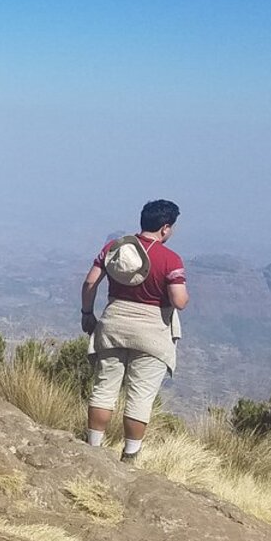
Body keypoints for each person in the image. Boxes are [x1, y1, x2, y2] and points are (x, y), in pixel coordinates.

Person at [80, 199, 190, 464]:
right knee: (140, 396)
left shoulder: (115, 248)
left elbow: (90, 281)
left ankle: (92, 449)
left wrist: (87, 314)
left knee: (104, 389)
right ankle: (129, 456)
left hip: (113, 324)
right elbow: (179, 301)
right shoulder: (170, 259)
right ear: (165, 228)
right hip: (153, 333)